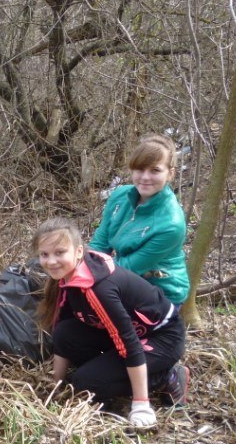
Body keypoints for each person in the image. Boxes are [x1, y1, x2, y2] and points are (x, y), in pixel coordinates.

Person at [35, 218, 188, 428]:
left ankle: (167, 377)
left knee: (85, 382)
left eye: (59, 252)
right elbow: (63, 334)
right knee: (64, 332)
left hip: (162, 337)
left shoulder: (99, 289)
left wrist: (141, 405)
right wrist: (56, 385)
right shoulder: (70, 276)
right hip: (132, 332)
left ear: (78, 251)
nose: (51, 261)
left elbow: (129, 343)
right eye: (44, 254)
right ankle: (107, 375)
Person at [90, 134, 190, 305]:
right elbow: (100, 244)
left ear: (170, 173)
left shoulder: (171, 224)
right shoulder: (119, 196)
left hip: (161, 292)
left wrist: (88, 275)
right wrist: (82, 265)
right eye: (140, 169)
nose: (145, 177)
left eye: (155, 170)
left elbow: (127, 267)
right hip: (121, 279)